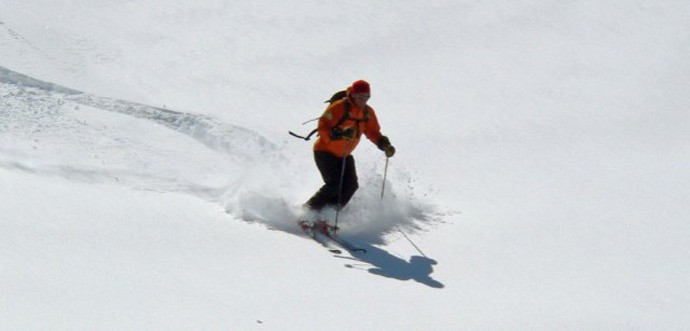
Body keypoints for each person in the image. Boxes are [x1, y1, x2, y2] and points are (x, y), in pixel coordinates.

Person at [305, 80, 396, 215]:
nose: (363, 100)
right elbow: (323, 126)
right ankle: (308, 212)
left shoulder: (368, 112)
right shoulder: (339, 107)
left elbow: (373, 132)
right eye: (360, 96)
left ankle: (327, 216)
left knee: (351, 186)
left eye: (366, 97)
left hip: (344, 155)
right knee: (334, 184)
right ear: (352, 95)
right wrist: (339, 133)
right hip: (324, 151)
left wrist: (384, 144)